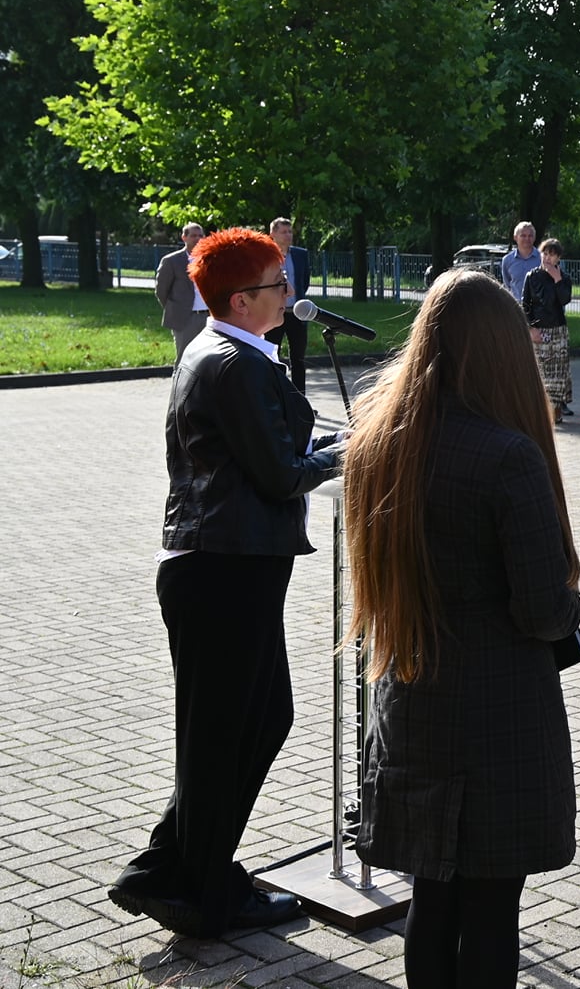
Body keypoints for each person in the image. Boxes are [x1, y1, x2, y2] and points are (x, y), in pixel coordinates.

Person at [343, 270, 580, 989]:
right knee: (490, 911)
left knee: (432, 897)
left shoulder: (378, 438)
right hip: (497, 720)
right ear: (506, 352)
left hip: (410, 699)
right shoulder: (509, 455)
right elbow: (542, 608)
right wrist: (573, 607)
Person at [109, 228, 346, 938]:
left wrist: (326, 447)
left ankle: (180, 870)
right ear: (243, 300)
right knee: (225, 732)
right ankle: (196, 886)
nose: (290, 294)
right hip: (221, 571)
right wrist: (350, 450)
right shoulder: (232, 363)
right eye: (279, 284)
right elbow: (278, 473)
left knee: (256, 719)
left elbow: (266, 454)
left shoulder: (228, 351)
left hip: (229, 568)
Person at [522, 238, 575, 423]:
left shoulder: (564, 278)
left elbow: (564, 300)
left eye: (551, 254)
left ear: (558, 258)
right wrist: (531, 328)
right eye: (545, 253)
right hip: (539, 329)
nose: (547, 258)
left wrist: (557, 279)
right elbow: (525, 305)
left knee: (558, 372)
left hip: (558, 329)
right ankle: (541, 409)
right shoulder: (532, 276)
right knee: (542, 371)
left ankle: (556, 409)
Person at [264, 217, 313, 392]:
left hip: (297, 313)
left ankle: (300, 400)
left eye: (290, 231)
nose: (288, 235)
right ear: (273, 234)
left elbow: (303, 282)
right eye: (284, 232)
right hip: (274, 313)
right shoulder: (265, 256)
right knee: (271, 356)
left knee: (298, 359)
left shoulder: (300, 254)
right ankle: (274, 397)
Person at [154, 222, 209, 360]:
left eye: (200, 236)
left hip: (208, 316)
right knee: (184, 358)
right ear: (184, 237)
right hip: (185, 318)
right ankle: (179, 382)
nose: (197, 239)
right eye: (193, 236)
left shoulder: (210, 260)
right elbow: (161, 290)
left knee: (206, 358)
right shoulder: (171, 261)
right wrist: (175, 308)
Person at [499, 222, 540, 298]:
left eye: (530, 236)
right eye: (523, 236)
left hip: (538, 308)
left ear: (534, 238)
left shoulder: (542, 259)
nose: (527, 239)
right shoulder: (507, 260)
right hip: (516, 307)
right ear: (515, 237)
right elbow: (507, 285)